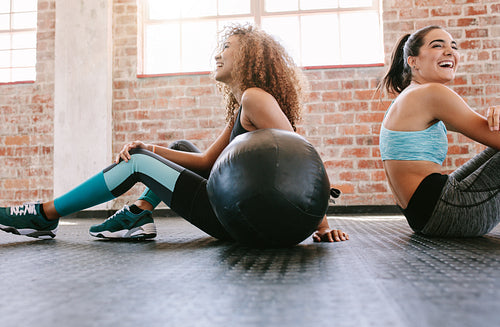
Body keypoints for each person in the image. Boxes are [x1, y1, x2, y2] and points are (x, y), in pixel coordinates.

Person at [0, 24, 348, 243]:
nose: (217, 54)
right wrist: (149, 148)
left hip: (230, 218)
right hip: (231, 211)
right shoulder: (245, 104)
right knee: (174, 148)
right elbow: (208, 161)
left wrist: (319, 224)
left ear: (248, 55)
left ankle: (44, 215)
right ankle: (138, 213)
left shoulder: (256, 97)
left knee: (135, 162)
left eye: (227, 47)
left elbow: (299, 158)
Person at [378, 25, 500, 237]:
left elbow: (491, 134)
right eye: (437, 45)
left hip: (423, 216)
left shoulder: (411, 96)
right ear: (412, 61)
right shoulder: (432, 93)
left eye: (453, 46)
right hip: (449, 212)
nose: (450, 51)